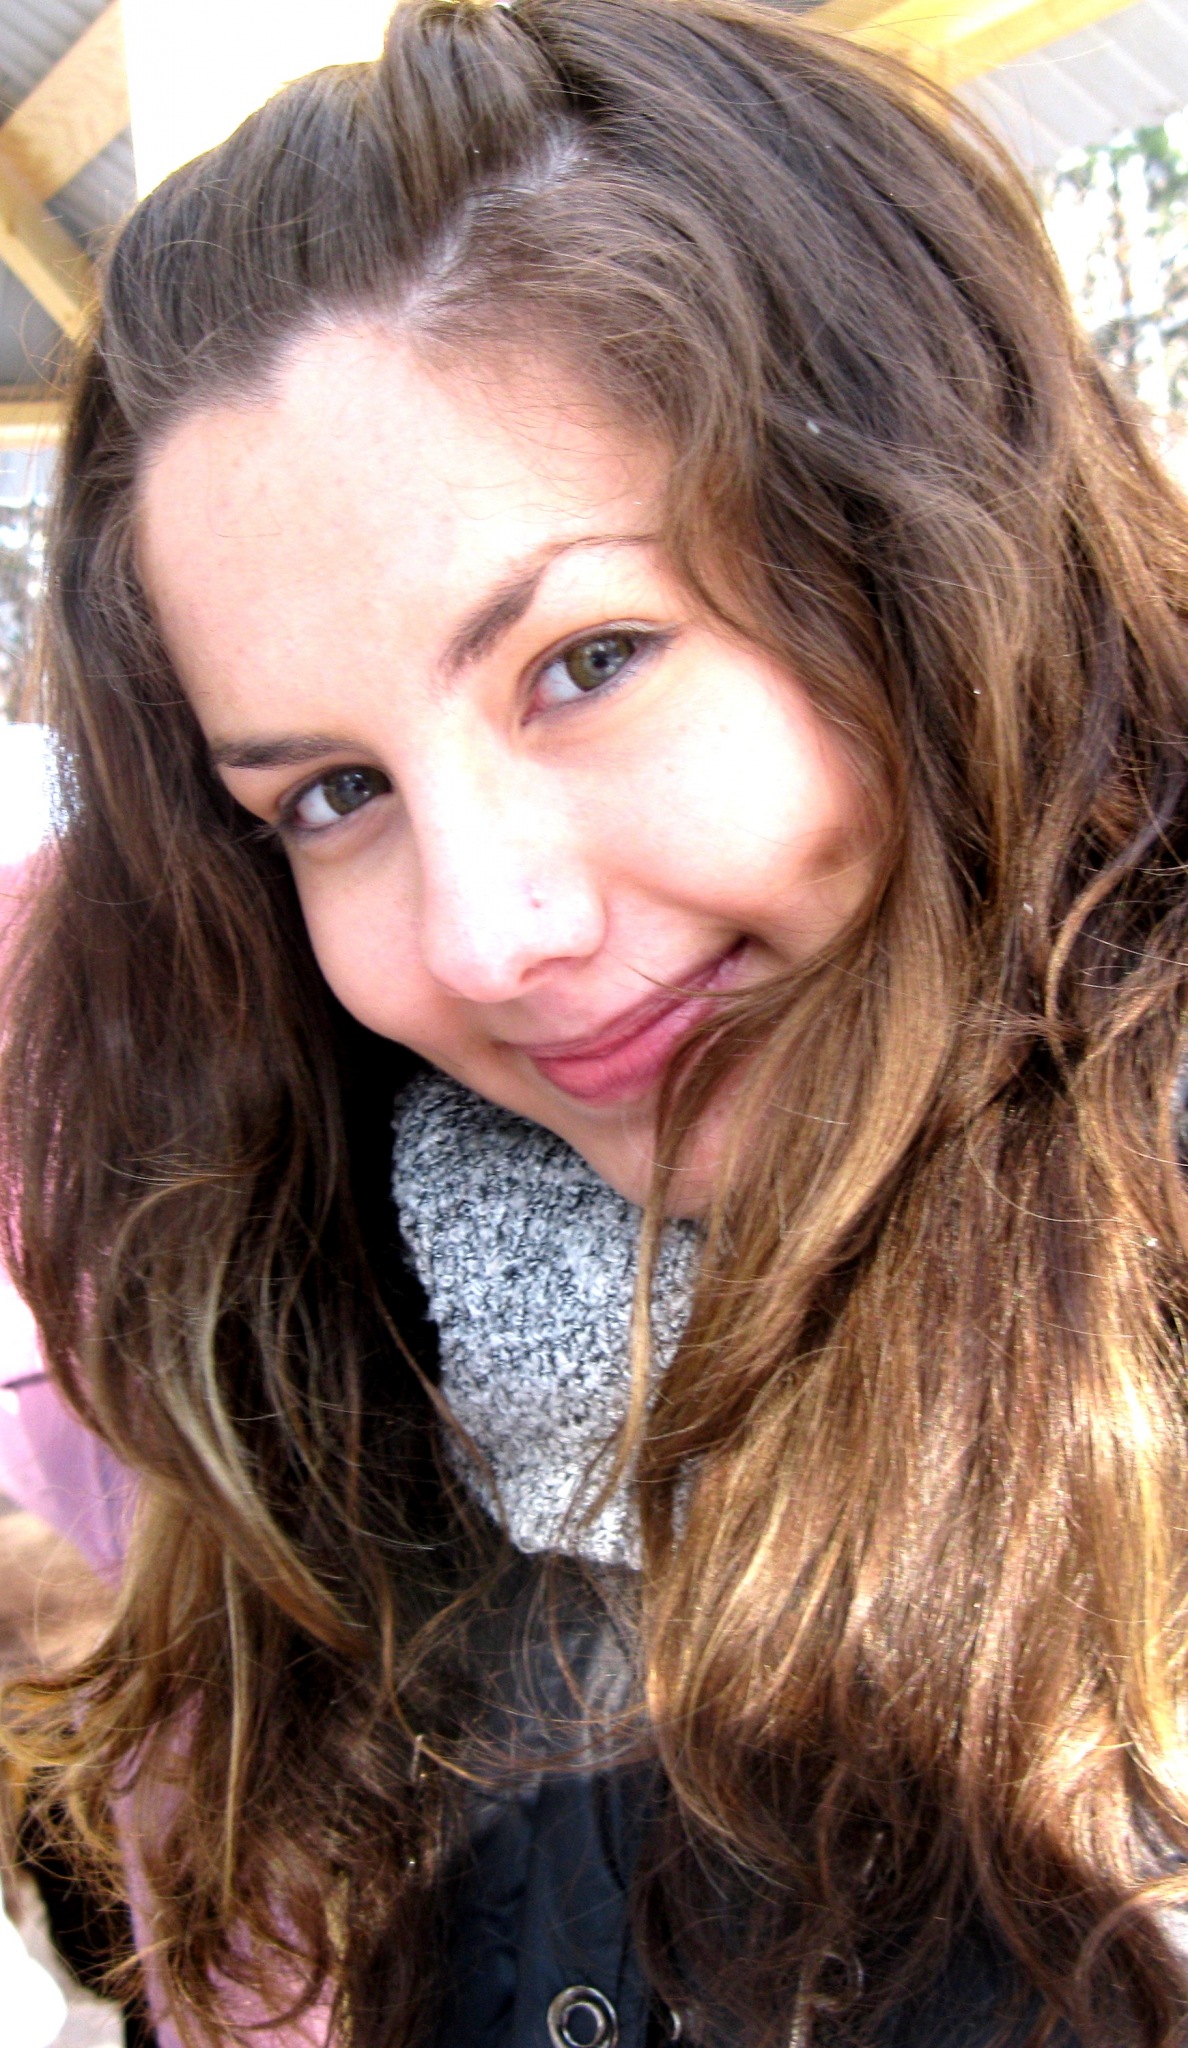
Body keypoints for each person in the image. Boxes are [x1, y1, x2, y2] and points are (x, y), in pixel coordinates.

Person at [3, 0, 1188, 2041]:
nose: (486, 936)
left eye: (589, 659)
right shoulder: (322, 1385)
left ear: (941, 560)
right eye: (333, 795)